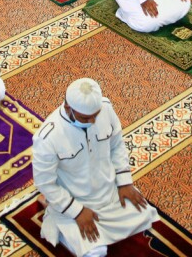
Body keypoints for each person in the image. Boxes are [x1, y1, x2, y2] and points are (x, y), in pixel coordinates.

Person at [31, 78, 158, 256]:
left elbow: (116, 145)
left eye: (95, 115)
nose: (92, 121)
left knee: (146, 215)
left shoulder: (105, 108)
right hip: (75, 200)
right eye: (85, 117)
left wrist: (124, 182)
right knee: (96, 251)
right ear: (68, 108)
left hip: (108, 193)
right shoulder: (48, 137)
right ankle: (59, 222)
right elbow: (45, 183)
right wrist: (77, 211)